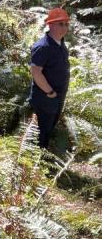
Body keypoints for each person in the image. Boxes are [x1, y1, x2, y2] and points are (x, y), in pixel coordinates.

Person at [29, 8, 70, 149]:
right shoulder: (42, 47)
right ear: (50, 25)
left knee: (50, 127)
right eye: (61, 24)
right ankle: (36, 163)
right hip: (46, 98)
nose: (64, 27)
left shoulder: (61, 44)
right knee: (41, 130)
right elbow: (36, 72)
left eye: (66, 24)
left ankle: (43, 157)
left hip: (57, 96)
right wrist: (50, 92)